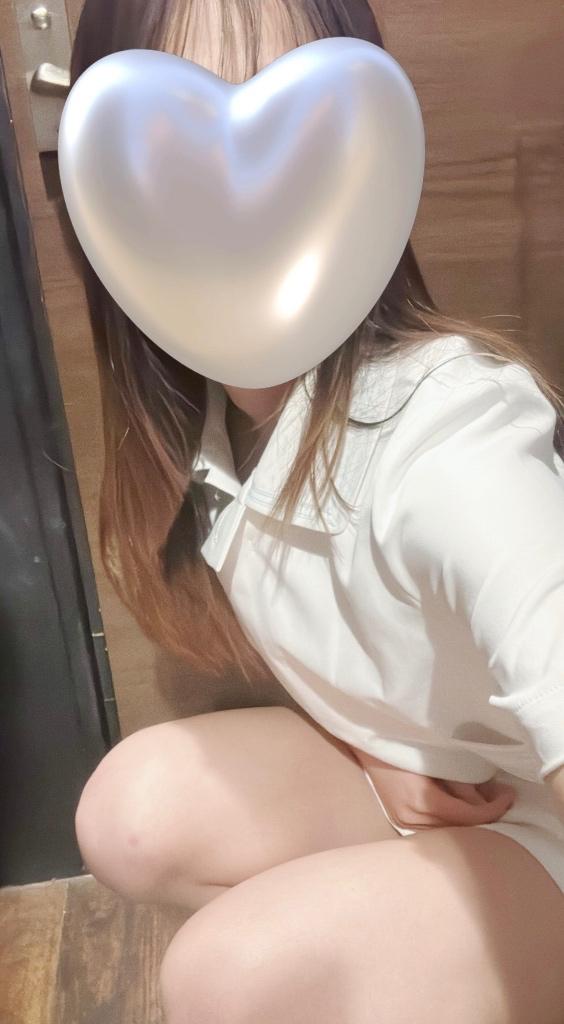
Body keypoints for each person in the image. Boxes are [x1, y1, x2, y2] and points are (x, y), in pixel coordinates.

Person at [67, 2, 564, 1022]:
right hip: (457, 783)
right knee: (128, 812)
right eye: (181, 145)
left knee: (233, 976)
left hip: (543, 829)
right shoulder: (211, 427)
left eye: (292, 134)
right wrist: (379, 761)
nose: (243, 191)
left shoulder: (450, 431)